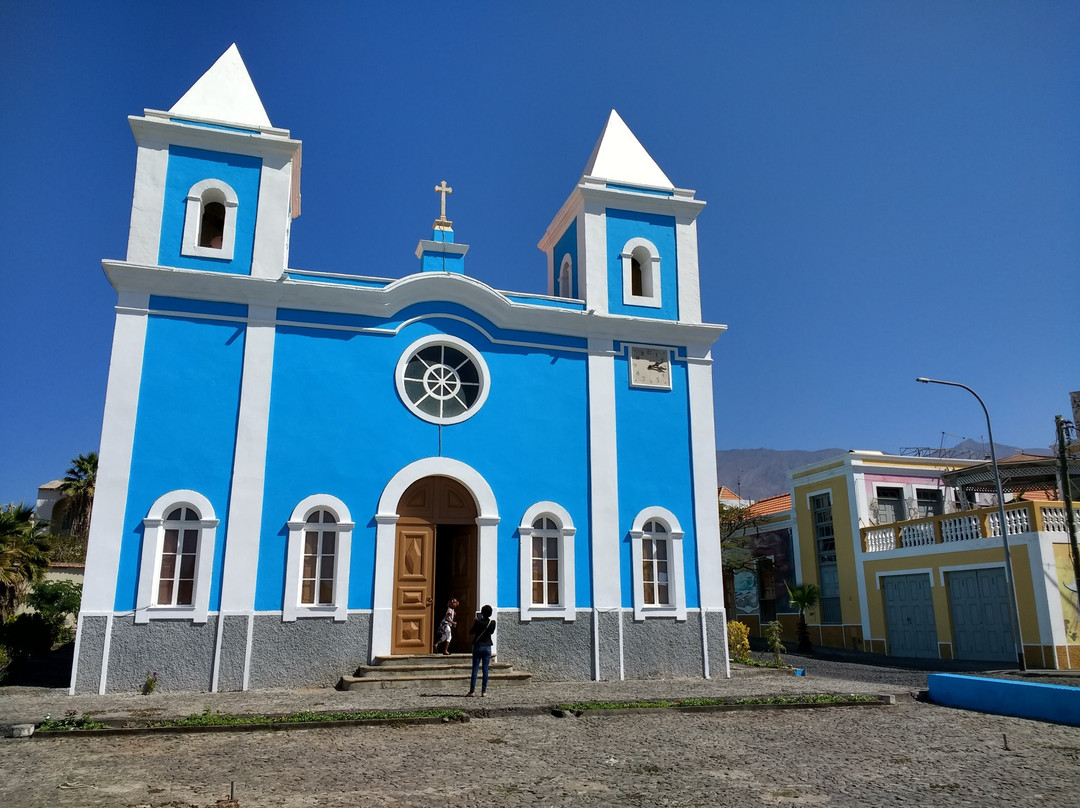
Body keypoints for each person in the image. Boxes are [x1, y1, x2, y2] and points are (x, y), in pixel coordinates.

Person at [466, 604, 496, 697]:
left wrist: (476, 622)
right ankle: (484, 691)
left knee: (475, 668)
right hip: (487, 647)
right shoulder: (492, 623)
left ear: (482, 613)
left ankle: (472, 691)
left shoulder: (478, 622)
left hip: (478, 646)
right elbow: (491, 632)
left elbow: (471, 632)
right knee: (485, 669)